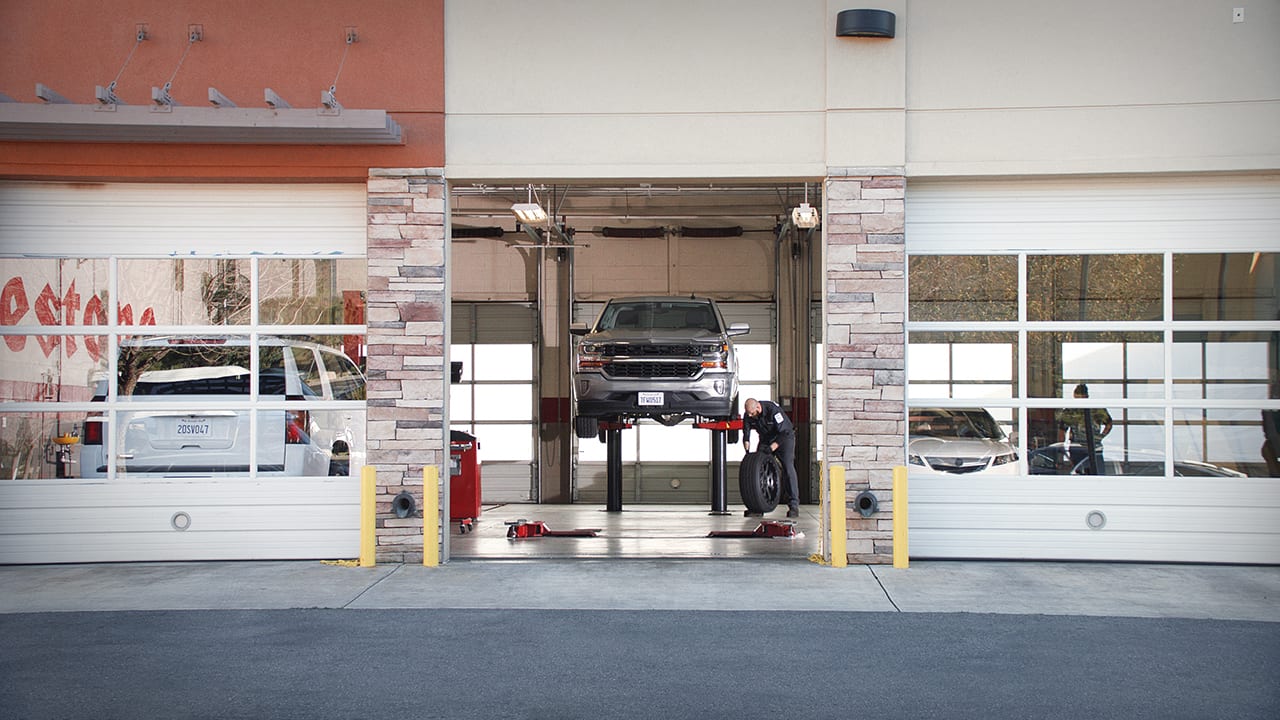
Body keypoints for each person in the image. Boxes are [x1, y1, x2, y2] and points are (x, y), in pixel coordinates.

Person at [742, 397, 799, 518]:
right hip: (766, 439)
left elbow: (785, 432)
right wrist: (747, 451)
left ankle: (794, 505)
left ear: (758, 407)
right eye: (748, 414)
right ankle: (757, 506)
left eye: (752, 413)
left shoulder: (773, 410)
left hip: (784, 439)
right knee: (757, 468)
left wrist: (773, 447)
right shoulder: (748, 415)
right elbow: (746, 434)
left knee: (788, 468)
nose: (750, 416)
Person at [1058, 383, 1113, 474]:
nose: (1079, 400)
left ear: (1086, 396)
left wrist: (1099, 437)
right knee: (1084, 474)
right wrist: (1063, 449)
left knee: (1095, 474)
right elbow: (1062, 431)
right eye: (1077, 398)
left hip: (1092, 447)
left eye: (1080, 397)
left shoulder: (1096, 409)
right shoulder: (1070, 410)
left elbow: (1109, 424)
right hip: (1078, 448)